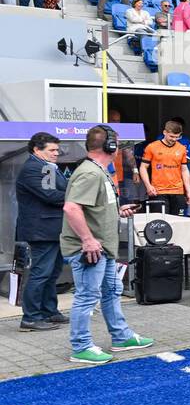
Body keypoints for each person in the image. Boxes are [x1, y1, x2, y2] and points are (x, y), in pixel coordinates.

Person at [61, 126, 154, 364]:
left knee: (111, 292)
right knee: (87, 296)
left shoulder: (97, 171)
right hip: (92, 250)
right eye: (117, 144)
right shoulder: (90, 173)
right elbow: (72, 208)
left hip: (104, 249)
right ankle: (81, 346)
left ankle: (121, 337)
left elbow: (92, 207)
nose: (119, 149)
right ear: (110, 147)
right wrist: (87, 240)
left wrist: (117, 211)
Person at [15, 132, 69, 331]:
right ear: (37, 150)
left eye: (57, 149)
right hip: (41, 231)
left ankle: (49, 311)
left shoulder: (46, 166)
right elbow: (51, 196)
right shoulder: (35, 168)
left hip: (51, 229)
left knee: (52, 272)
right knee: (41, 273)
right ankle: (31, 317)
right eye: (52, 150)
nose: (57, 153)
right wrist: (78, 194)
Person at [139, 119, 190, 216]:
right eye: (171, 136)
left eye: (177, 137)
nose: (174, 139)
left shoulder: (182, 148)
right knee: (161, 223)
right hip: (158, 191)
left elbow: (184, 170)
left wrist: (188, 191)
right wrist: (148, 186)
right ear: (164, 132)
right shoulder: (152, 147)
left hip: (178, 191)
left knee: (178, 222)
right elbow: (143, 167)